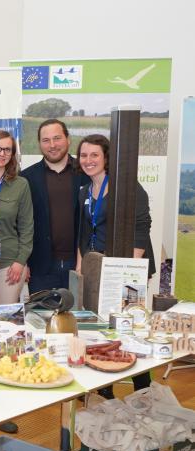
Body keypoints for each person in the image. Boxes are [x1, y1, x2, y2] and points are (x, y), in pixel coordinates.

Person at [75, 133, 155, 397]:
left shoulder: (127, 186)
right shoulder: (85, 190)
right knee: (101, 332)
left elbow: (142, 226)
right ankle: (105, 391)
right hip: (98, 272)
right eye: (84, 155)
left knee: (129, 331)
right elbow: (84, 232)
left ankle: (143, 391)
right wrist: (80, 270)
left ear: (106, 158)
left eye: (94, 155)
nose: (88, 160)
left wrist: (127, 270)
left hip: (128, 273)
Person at [20, 119, 87, 293]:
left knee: (80, 319)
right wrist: (23, 261)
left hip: (81, 266)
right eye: (46, 140)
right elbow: (19, 223)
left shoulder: (86, 173)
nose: (52, 145)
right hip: (41, 267)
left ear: (68, 139)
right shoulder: (26, 178)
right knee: (41, 319)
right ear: (39, 144)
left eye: (57, 138)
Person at [0, 130, 33, 304]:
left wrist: (20, 261)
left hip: (10, 263)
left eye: (7, 150)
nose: (1, 154)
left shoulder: (20, 185)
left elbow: (27, 227)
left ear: (12, 154)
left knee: (3, 319)